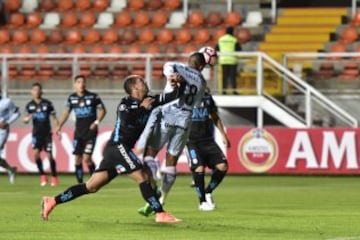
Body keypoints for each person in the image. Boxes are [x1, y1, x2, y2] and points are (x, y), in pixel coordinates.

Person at [41, 75, 184, 223]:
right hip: (118, 146)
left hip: (116, 150)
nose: (146, 82)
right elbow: (128, 119)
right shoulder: (125, 104)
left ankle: (52, 201)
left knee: (91, 186)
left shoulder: (149, 100)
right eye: (142, 81)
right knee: (143, 176)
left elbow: (174, 96)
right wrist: (142, 108)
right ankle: (160, 213)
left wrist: (180, 83)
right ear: (134, 88)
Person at [137, 52, 207, 216]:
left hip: (168, 114)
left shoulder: (179, 67)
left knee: (149, 155)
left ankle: (153, 189)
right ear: (202, 67)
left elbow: (167, 65)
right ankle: (162, 200)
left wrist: (172, 77)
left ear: (189, 61)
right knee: (171, 162)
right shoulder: (202, 82)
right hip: (184, 121)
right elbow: (195, 103)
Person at [56, 75, 106, 183]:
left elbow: (103, 111)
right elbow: (66, 113)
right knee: (77, 158)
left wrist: (96, 122)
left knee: (87, 158)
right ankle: (80, 183)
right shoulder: (72, 98)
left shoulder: (93, 97)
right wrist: (59, 125)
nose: (81, 84)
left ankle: (96, 181)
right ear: (75, 84)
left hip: (91, 132)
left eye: (83, 82)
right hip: (78, 133)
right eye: (78, 82)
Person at [186, 89, 230, 211]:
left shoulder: (207, 98)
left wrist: (223, 135)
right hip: (191, 141)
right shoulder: (184, 97)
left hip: (208, 140)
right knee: (199, 168)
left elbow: (215, 117)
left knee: (223, 166)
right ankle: (202, 202)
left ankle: (208, 191)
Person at [23, 82, 60, 186]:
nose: (36, 92)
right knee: (35, 155)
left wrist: (58, 128)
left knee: (49, 156)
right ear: (32, 92)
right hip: (36, 134)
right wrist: (26, 119)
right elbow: (25, 119)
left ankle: (54, 176)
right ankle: (43, 176)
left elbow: (53, 118)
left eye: (38, 90)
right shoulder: (29, 105)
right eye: (34, 90)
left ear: (41, 91)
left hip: (47, 134)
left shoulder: (47, 103)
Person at [215, 26, 241, 95]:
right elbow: (239, 50)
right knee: (233, 77)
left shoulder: (221, 39)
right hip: (232, 60)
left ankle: (224, 91)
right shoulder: (234, 40)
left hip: (223, 61)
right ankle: (234, 91)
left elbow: (216, 49)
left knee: (224, 77)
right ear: (232, 32)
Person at [0, 93, 20, 183]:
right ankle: (11, 170)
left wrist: (7, 122)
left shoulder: (6, 102)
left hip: (2, 131)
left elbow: (17, 113)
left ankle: (11, 170)